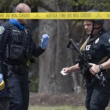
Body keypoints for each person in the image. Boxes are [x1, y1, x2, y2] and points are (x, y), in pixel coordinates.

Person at [0, 3, 49, 110]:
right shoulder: (5, 29)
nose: (29, 18)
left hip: (23, 74)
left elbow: (34, 52)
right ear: (18, 14)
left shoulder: (26, 31)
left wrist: (42, 46)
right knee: (16, 103)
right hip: (10, 73)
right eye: (26, 15)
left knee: (23, 105)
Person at [62, 10, 110, 110]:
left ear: (97, 24)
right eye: (84, 25)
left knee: (95, 107)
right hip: (91, 81)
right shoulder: (88, 41)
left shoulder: (106, 38)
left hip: (103, 81)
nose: (85, 27)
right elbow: (83, 63)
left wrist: (100, 67)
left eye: (88, 24)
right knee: (89, 106)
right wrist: (69, 69)